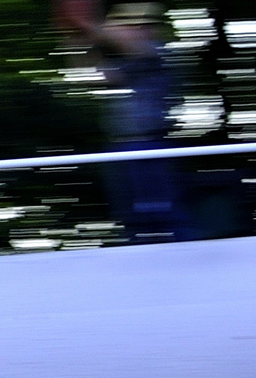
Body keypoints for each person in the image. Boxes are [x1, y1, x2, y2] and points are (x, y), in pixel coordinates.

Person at [62, 2, 181, 242]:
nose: (125, 29)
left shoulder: (155, 51)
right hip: (122, 148)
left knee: (162, 217)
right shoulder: (134, 60)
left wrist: (84, 24)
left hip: (150, 146)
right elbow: (91, 77)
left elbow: (117, 41)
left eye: (132, 25)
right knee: (134, 221)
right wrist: (72, 38)